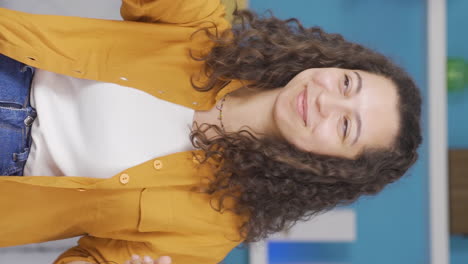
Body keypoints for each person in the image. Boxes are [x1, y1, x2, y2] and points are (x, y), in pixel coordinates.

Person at [0, 0, 422, 263]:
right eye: (347, 83)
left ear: (335, 167)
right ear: (337, 62)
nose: (325, 101)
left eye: (346, 125)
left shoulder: (212, 230)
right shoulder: (207, 32)